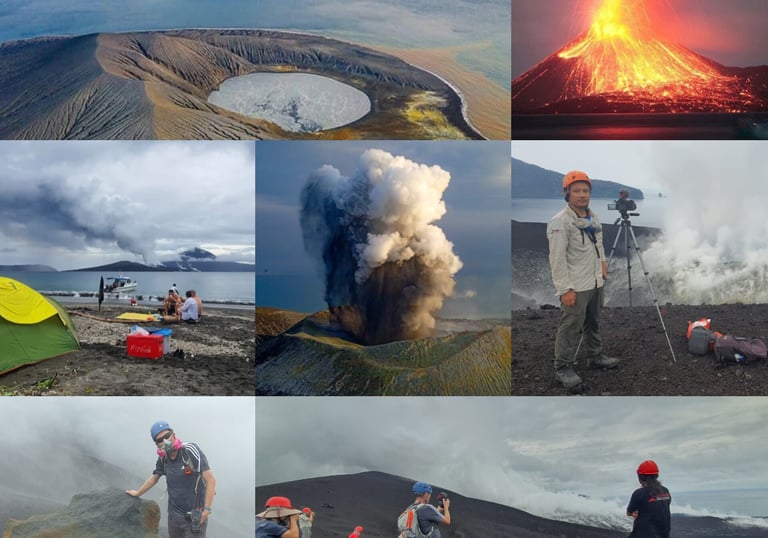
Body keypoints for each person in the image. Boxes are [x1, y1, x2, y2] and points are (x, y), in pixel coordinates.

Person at [547, 170, 619, 390]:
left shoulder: (592, 217)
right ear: (567, 193)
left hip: (595, 282)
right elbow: (557, 259)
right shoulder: (560, 222)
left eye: (585, 190)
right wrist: (565, 289)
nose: (582, 195)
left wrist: (603, 264)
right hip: (576, 287)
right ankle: (563, 368)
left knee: (593, 322)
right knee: (570, 327)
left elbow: (598, 244)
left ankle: (595, 357)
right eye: (576, 190)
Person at [126, 421, 216, 538]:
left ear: (173, 435)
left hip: (194, 518)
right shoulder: (164, 459)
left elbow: (210, 480)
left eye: (167, 436)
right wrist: (137, 493)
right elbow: (154, 478)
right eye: (160, 440)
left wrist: (206, 511)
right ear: (157, 444)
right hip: (173, 517)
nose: (165, 441)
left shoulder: (189, 451)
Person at [626, 460, 671, 538]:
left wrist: (633, 513)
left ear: (640, 478)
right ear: (656, 475)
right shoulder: (665, 491)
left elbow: (629, 512)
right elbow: (658, 507)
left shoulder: (639, 493)